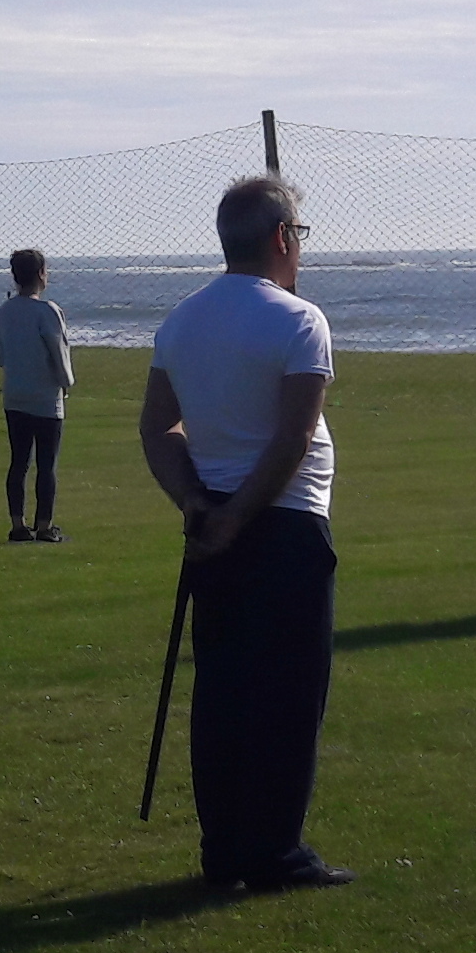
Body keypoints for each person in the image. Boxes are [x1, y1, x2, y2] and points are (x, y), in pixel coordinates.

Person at [138, 176, 351, 895]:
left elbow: (158, 428)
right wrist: (232, 514)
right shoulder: (299, 320)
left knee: (225, 692)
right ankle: (277, 851)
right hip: (284, 524)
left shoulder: (182, 320)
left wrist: (196, 502)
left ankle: (226, 847)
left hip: (215, 527)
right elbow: (293, 436)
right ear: (282, 237)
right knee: (289, 693)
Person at [0, 248, 75, 541]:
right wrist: (66, 382)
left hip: (14, 395)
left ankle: (18, 524)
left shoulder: (4, 311)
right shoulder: (47, 311)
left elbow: (2, 356)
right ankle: (44, 525)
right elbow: (58, 352)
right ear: (41, 274)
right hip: (45, 397)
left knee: (18, 462)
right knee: (46, 464)